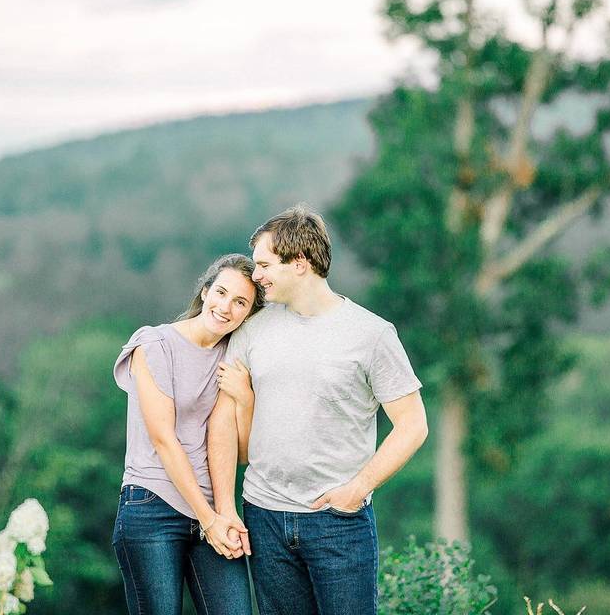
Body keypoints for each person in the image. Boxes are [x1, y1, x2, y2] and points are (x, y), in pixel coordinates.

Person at [208, 205, 429, 615]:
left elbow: (413, 425)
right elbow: (223, 420)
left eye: (264, 265)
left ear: (300, 263)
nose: (255, 277)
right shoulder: (252, 328)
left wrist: (358, 488)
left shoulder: (372, 334)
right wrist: (225, 508)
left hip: (338, 523)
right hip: (265, 517)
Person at [111, 253, 263, 615]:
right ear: (206, 290)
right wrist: (208, 519)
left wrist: (246, 398)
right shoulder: (153, 345)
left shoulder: (233, 357)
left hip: (211, 511)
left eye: (240, 302)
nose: (226, 307)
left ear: (249, 313)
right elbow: (164, 439)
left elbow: (238, 450)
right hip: (152, 506)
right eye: (221, 292)